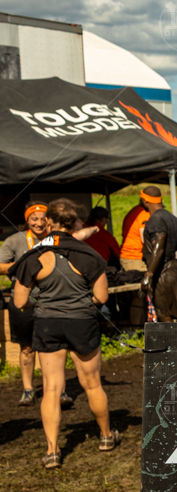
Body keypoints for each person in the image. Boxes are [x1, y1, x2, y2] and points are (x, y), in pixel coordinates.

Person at [11, 199, 116, 469]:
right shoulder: (90, 255)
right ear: (76, 223)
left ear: (48, 223)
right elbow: (101, 297)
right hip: (82, 322)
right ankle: (105, 437)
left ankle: (52, 451)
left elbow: (20, 302)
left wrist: (45, 303)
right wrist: (80, 304)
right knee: (92, 384)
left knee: (51, 389)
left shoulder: (33, 257)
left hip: (48, 323)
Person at [1, 203, 52, 406]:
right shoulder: (15, 240)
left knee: (52, 347)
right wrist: (22, 266)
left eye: (43, 219)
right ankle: (28, 389)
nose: (39, 223)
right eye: (34, 218)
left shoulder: (55, 239)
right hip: (23, 300)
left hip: (50, 298)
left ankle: (59, 389)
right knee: (27, 347)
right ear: (27, 220)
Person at [138, 187, 177, 323]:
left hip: (162, 272)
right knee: (170, 313)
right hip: (173, 269)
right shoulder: (173, 218)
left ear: (145, 200)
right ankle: (174, 343)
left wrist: (149, 274)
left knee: (163, 314)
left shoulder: (155, 220)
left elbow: (159, 246)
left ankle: (172, 344)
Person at [119, 194, 151, 274]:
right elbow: (145, 238)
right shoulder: (143, 213)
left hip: (128, 257)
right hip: (134, 257)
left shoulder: (136, 210)